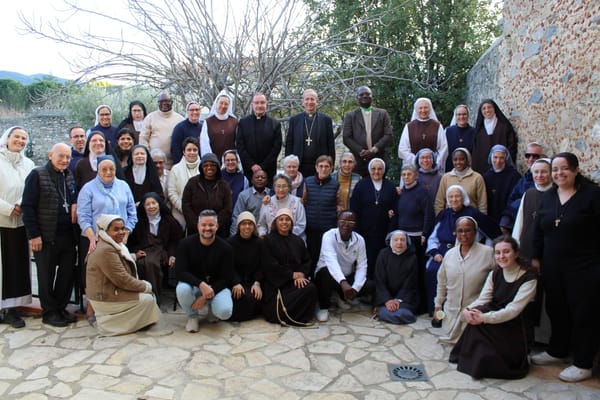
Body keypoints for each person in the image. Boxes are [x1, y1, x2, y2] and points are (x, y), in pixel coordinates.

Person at [531, 152, 600, 383]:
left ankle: (583, 362)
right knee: (556, 308)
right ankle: (557, 350)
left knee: (583, 314)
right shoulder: (549, 197)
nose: (559, 173)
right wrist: (536, 257)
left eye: (564, 169)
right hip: (552, 265)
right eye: (555, 170)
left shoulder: (592, 195)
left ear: (576, 170)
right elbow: (539, 228)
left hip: (585, 267)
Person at [449, 235, 537, 379]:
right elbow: (484, 299)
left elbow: (513, 310)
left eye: (506, 251)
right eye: (498, 253)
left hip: (514, 323)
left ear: (516, 253)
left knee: (480, 318)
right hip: (493, 315)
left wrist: (484, 318)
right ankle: (478, 358)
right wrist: (468, 310)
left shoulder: (529, 279)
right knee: (476, 313)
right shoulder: (494, 273)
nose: (501, 256)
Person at [22, 143, 78, 327]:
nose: (65, 160)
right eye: (61, 156)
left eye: (68, 157)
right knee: (46, 276)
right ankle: (49, 312)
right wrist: (34, 235)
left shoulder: (68, 176)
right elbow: (28, 207)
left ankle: (61, 307)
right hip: (46, 236)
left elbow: (72, 198)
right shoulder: (37, 175)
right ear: (50, 155)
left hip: (67, 236)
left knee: (66, 274)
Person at [77, 154, 137, 324]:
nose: (108, 172)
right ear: (98, 169)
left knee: (119, 274)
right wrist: (92, 237)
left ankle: (116, 309)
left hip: (120, 239)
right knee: (95, 276)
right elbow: (83, 216)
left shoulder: (123, 186)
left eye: (111, 168)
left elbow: (132, 212)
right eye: (104, 169)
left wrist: (127, 232)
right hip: (95, 239)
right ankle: (92, 308)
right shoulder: (88, 188)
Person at [424, 185, 500, 315]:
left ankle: (458, 309)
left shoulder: (473, 214)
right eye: (451, 197)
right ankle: (436, 311)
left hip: (467, 251)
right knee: (432, 270)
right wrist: (435, 253)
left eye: (457, 196)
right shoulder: (443, 214)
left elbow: (492, 234)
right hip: (442, 252)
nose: (454, 199)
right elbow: (433, 237)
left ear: (463, 197)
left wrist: (482, 251)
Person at [86, 214, 160, 336]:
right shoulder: (106, 249)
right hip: (104, 297)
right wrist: (145, 287)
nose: (121, 232)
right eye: (116, 229)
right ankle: (111, 326)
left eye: (123, 228)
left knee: (148, 296)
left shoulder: (110, 243)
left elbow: (118, 260)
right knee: (147, 299)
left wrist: (133, 256)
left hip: (109, 291)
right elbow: (122, 280)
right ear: (105, 230)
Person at [433, 216, 495, 343]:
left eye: (468, 230)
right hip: (451, 314)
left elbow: (497, 280)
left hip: (473, 313)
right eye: (460, 231)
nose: (464, 234)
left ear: (475, 232)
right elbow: (442, 282)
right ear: (455, 233)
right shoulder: (450, 255)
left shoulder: (488, 253)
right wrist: (438, 305)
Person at [512, 158, 552, 347]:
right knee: (528, 294)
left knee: (545, 297)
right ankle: (526, 335)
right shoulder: (529, 194)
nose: (540, 176)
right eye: (536, 172)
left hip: (548, 254)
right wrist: (515, 248)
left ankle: (544, 338)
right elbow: (519, 222)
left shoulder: (556, 194)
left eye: (544, 172)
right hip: (527, 251)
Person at [175, 209, 234, 333]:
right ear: (198, 226)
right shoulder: (185, 244)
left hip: (216, 287)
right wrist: (201, 285)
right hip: (195, 286)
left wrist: (207, 295)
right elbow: (180, 272)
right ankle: (192, 317)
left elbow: (227, 278)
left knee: (225, 312)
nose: (207, 228)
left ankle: (212, 310)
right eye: (204, 225)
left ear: (217, 226)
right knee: (182, 289)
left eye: (211, 225)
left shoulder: (226, 248)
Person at [0, 126, 35, 328]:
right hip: (2, 219)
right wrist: (7, 208)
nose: (20, 141)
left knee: (17, 266)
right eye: (17, 137)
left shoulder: (28, 163)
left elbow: (31, 187)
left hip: (20, 221)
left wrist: (20, 204)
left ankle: (13, 308)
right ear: (7, 138)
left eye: (24, 138)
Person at [314, 210, 374, 322]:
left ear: (355, 224)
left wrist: (355, 289)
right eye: (343, 221)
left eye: (351, 222)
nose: (346, 225)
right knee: (325, 273)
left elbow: (362, 266)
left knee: (369, 285)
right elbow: (331, 261)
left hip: (346, 276)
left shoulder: (360, 240)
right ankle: (323, 306)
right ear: (337, 222)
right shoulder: (329, 236)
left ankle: (340, 296)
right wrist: (343, 282)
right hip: (327, 275)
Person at [261, 208, 317, 325]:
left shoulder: (298, 241)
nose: (284, 222)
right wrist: (291, 275)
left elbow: (306, 261)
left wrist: (302, 274)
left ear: (292, 223)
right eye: (281, 219)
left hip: (295, 283)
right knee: (273, 308)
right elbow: (270, 265)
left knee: (310, 288)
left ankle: (296, 316)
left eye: (287, 219)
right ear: (276, 222)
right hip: (276, 285)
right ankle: (283, 315)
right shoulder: (268, 240)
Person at [392, 164, 434, 311]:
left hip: (417, 238)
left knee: (418, 271)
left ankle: (420, 305)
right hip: (403, 237)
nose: (406, 177)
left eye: (409, 174)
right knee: (405, 272)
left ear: (416, 176)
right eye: (403, 175)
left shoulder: (422, 192)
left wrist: (424, 234)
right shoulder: (401, 193)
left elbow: (429, 214)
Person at [128, 192, 183, 302]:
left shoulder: (169, 220)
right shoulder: (138, 221)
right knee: (140, 263)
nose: (151, 206)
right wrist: (135, 252)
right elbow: (131, 241)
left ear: (159, 204)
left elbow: (175, 240)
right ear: (143, 206)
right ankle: (141, 298)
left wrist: (172, 255)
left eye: (154, 203)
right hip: (144, 249)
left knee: (151, 263)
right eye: (147, 204)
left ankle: (153, 298)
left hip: (163, 250)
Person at [349, 158, 397, 278]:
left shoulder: (390, 186)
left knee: (381, 263)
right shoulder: (361, 185)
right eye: (373, 169)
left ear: (384, 170)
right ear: (369, 170)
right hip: (364, 233)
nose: (376, 171)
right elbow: (355, 209)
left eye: (380, 169)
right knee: (365, 263)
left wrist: (390, 232)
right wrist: (356, 232)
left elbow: (395, 209)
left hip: (383, 232)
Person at [302, 155, 342, 276]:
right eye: (321, 166)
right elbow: (303, 202)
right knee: (310, 257)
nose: (323, 169)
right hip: (310, 228)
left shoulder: (335, 185)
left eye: (326, 166)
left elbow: (340, 206)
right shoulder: (308, 182)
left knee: (325, 259)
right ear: (316, 167)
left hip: (327, 229)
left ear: (331, 169)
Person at [342, 86, 393, 177]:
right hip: (358, 160)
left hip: (379, 157)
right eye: (361, 94)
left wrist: (373, 150)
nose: (364, 96)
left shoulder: (383, 114)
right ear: (357, 98)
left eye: (367, 94)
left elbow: (388, 135)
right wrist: (361, 151)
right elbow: (346, 137)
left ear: (372, 96)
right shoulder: (350, 116)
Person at [285, 89, 335, 177]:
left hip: (320, 166)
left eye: (312, 99)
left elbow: (330, 144)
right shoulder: (295, 120)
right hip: (299, 165)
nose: (309, 102)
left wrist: (331, 164)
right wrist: (288, 163)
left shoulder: (326, 120)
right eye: (307, 99)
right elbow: (289, 143)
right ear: (302, 102)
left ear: (317, 101)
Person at [182, 153, 232, 237]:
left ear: (217, 167)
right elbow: (186, 205)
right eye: (205, 165)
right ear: (201, 167)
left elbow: (227, 208)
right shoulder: (192, 183)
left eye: (212, 165)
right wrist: (198, 225)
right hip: (195, 230)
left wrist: (214, 225)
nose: (209, 167)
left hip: (218, 231)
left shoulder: (224, 185)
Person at [374, 230, 419, 324]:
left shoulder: (412, 257)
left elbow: (410, 283)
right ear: (390, 241)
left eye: (402, 240)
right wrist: (387, 300)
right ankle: (385, 312)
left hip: (404, 297)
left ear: (407, 242)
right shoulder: (383, 254)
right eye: (396, 240)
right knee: (397, 313)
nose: (399, 243)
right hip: (385, 296)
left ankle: (383, 313)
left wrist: (397, 300)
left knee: (404, 313)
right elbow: (379, 280)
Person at [236, 92, 282, 182]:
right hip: (249, 169)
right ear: (252, 105)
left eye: (262, 102)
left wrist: (263, 166)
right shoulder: (243, 123)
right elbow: (240, 146)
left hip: (268, 169)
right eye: (256, 103)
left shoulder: (275, 124)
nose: (259, 105)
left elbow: (276, 148)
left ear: (266, 104)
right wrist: (252, 165)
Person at [500, 142, 545, 232]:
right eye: (528, 155)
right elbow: (511, 200)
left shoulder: (544, 179)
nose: (531, 159)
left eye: (535, 156)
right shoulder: (525, 178)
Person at [227, 211, 263, 322]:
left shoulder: (260, 243)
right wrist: (236, 282)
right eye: (243, 223)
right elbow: (228, 266)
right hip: (235, 282)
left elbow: (262, 265)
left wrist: (257, 283)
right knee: (241, 298)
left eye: (250, 223)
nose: (247, 227)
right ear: (239, 226)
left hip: (253, 282)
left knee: (255, 297)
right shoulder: (230, 243)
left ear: (254, 227)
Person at [398, 97, 448, 173]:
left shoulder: (437, 126)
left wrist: (435, 163)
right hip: (414, 168)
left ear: (430, 109)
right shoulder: (409, 126)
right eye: (420, 108)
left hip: (433, 168)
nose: (423, 110)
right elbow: (403, 149)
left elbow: (443, 148)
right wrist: (417, 161)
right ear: (416, 110)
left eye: (426, 108)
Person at [434, 148, 487, 215]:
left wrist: (481, 221)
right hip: (450, 219)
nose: (458, 162)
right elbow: (439, 202)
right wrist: (441, 219)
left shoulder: (477, 178)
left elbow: (482, 204)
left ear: (467, 160)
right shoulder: (446, 178)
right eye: (455, 160)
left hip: (470, 220)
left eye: (462, 159)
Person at [471, 99, 517, 173]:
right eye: (484, 108)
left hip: (502, 167)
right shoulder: (479, 130)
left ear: (494, 109)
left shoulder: (504, 126)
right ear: (481, 112)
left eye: (489, 107)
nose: (487, 110)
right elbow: (475, 151)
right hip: (483, 167)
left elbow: (511, 146)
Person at [139, 93, 184, 168]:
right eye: (161, 101)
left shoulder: (180, 119)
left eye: (167, 101)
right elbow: (143, 139)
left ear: (172, 102)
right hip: (154, 164)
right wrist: (148, 156)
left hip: (174, 164)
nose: (164, 104)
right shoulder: (150, 118)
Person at [257, 174, 306, 240]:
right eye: (278, 186)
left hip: (293, 240)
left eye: (284, 186)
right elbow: (262, 225)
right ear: (274, 187)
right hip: (272, 240)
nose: (281, 189)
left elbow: (301, 225)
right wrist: (262, 234)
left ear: (289, 188)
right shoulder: (267, 202)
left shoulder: (297, 202)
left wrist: (284, 234)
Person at [482, 144, 521, 225]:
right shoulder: (486, 176)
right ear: (491, 157)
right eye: (495, 157)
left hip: (507, 218)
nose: (498, 161)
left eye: (501, 158)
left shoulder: (514, 176)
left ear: (506, 159)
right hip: (490, 217)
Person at [167, 137, 200, 230]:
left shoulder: (204, 168)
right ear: (184, 152)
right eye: (189, 150)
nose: (192, 152)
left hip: (199, 214)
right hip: (179, 213)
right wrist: (185, 209)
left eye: (195, 150)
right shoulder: (175, 169)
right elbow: (171, 192)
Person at [230, 170, 271, 236]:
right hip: (248, 233)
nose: (260, 179)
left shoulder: (271, 194)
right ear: (252, 180)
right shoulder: (244, 195)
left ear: (267, 181)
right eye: (257, 177)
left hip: (267, 234)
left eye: (263, 177)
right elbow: (236, 217)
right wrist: (234, 236)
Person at [200, 91, 238, 160]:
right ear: (216, 104)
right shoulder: (208, 122)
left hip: (231, 163)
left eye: (226, 104)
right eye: (221, 103)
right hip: (213, 162)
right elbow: (205, 144)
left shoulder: (234, 121)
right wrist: (210, 161)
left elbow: (238, 143)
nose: (223, 106)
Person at [444, 105, 475, 172]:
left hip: (469, 169)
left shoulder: (474, 132)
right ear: (455, 116)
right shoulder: (448, 131)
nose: (462, 117)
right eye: (459, 114)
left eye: (464, 114)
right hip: (451, 169)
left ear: (468, 116)